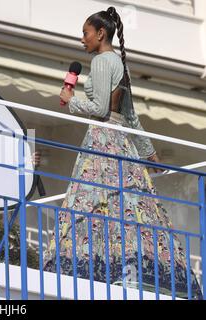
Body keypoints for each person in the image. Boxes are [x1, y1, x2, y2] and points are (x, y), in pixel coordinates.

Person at [44, 7, 202, 299]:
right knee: (124, 208)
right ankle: (127, 271)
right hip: (122, 143)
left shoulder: (104, 62)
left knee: (95, 204)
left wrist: (71, 99)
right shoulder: (120, 64)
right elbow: (131, 117)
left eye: (85, 33)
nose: (82, 40)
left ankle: (101, 271)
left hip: (102, 139)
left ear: (100, 33)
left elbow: (101, 110)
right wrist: (148, 153)